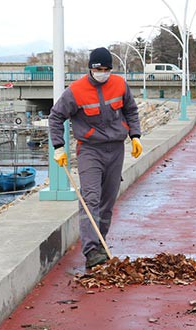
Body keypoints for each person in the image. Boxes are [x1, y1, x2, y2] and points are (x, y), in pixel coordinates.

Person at [49, 47, 143, 268]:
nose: (103, 72)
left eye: (107, 69)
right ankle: (91, 251)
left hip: (116, 149)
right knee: (90, 198)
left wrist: (135, 135)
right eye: (98, 69)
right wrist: (58, 147)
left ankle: (101, 243)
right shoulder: (76, 91)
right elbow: (56, 117)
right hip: (90, 150)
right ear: (90, 68)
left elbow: (131, 110)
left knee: (107, 201)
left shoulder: (120, 85)